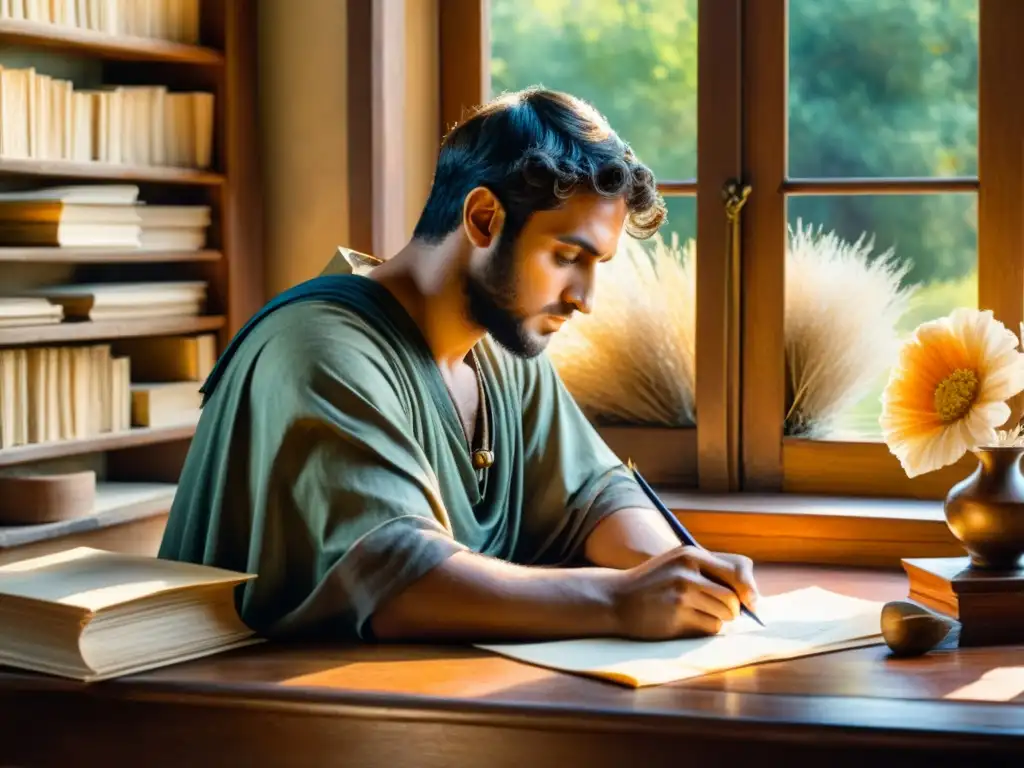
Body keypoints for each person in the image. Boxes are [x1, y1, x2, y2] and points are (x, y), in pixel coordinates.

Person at [159, 87, 760, 643]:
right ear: (482, 219)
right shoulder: (321, 349)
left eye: (597, 264)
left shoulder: (499, 344)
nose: (585, 298)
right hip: (254, 722)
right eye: (566, 256)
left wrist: (673, 571)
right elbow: (395, 579)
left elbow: (593, 495)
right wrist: (621, 600)